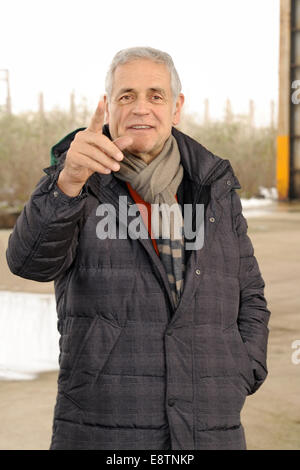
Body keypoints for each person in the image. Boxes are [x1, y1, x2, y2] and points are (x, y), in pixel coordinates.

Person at [6, 46, 271, 450]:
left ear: (176, 107)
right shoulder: (81, 181)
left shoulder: (213, 187)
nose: (141, 108)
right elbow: (28, 262)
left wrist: (241, 368)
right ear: (108, 107)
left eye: (156, 95)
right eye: (126, 96)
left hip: (208, 425)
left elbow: (249, 294)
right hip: (102, 423)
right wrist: (68, 181)